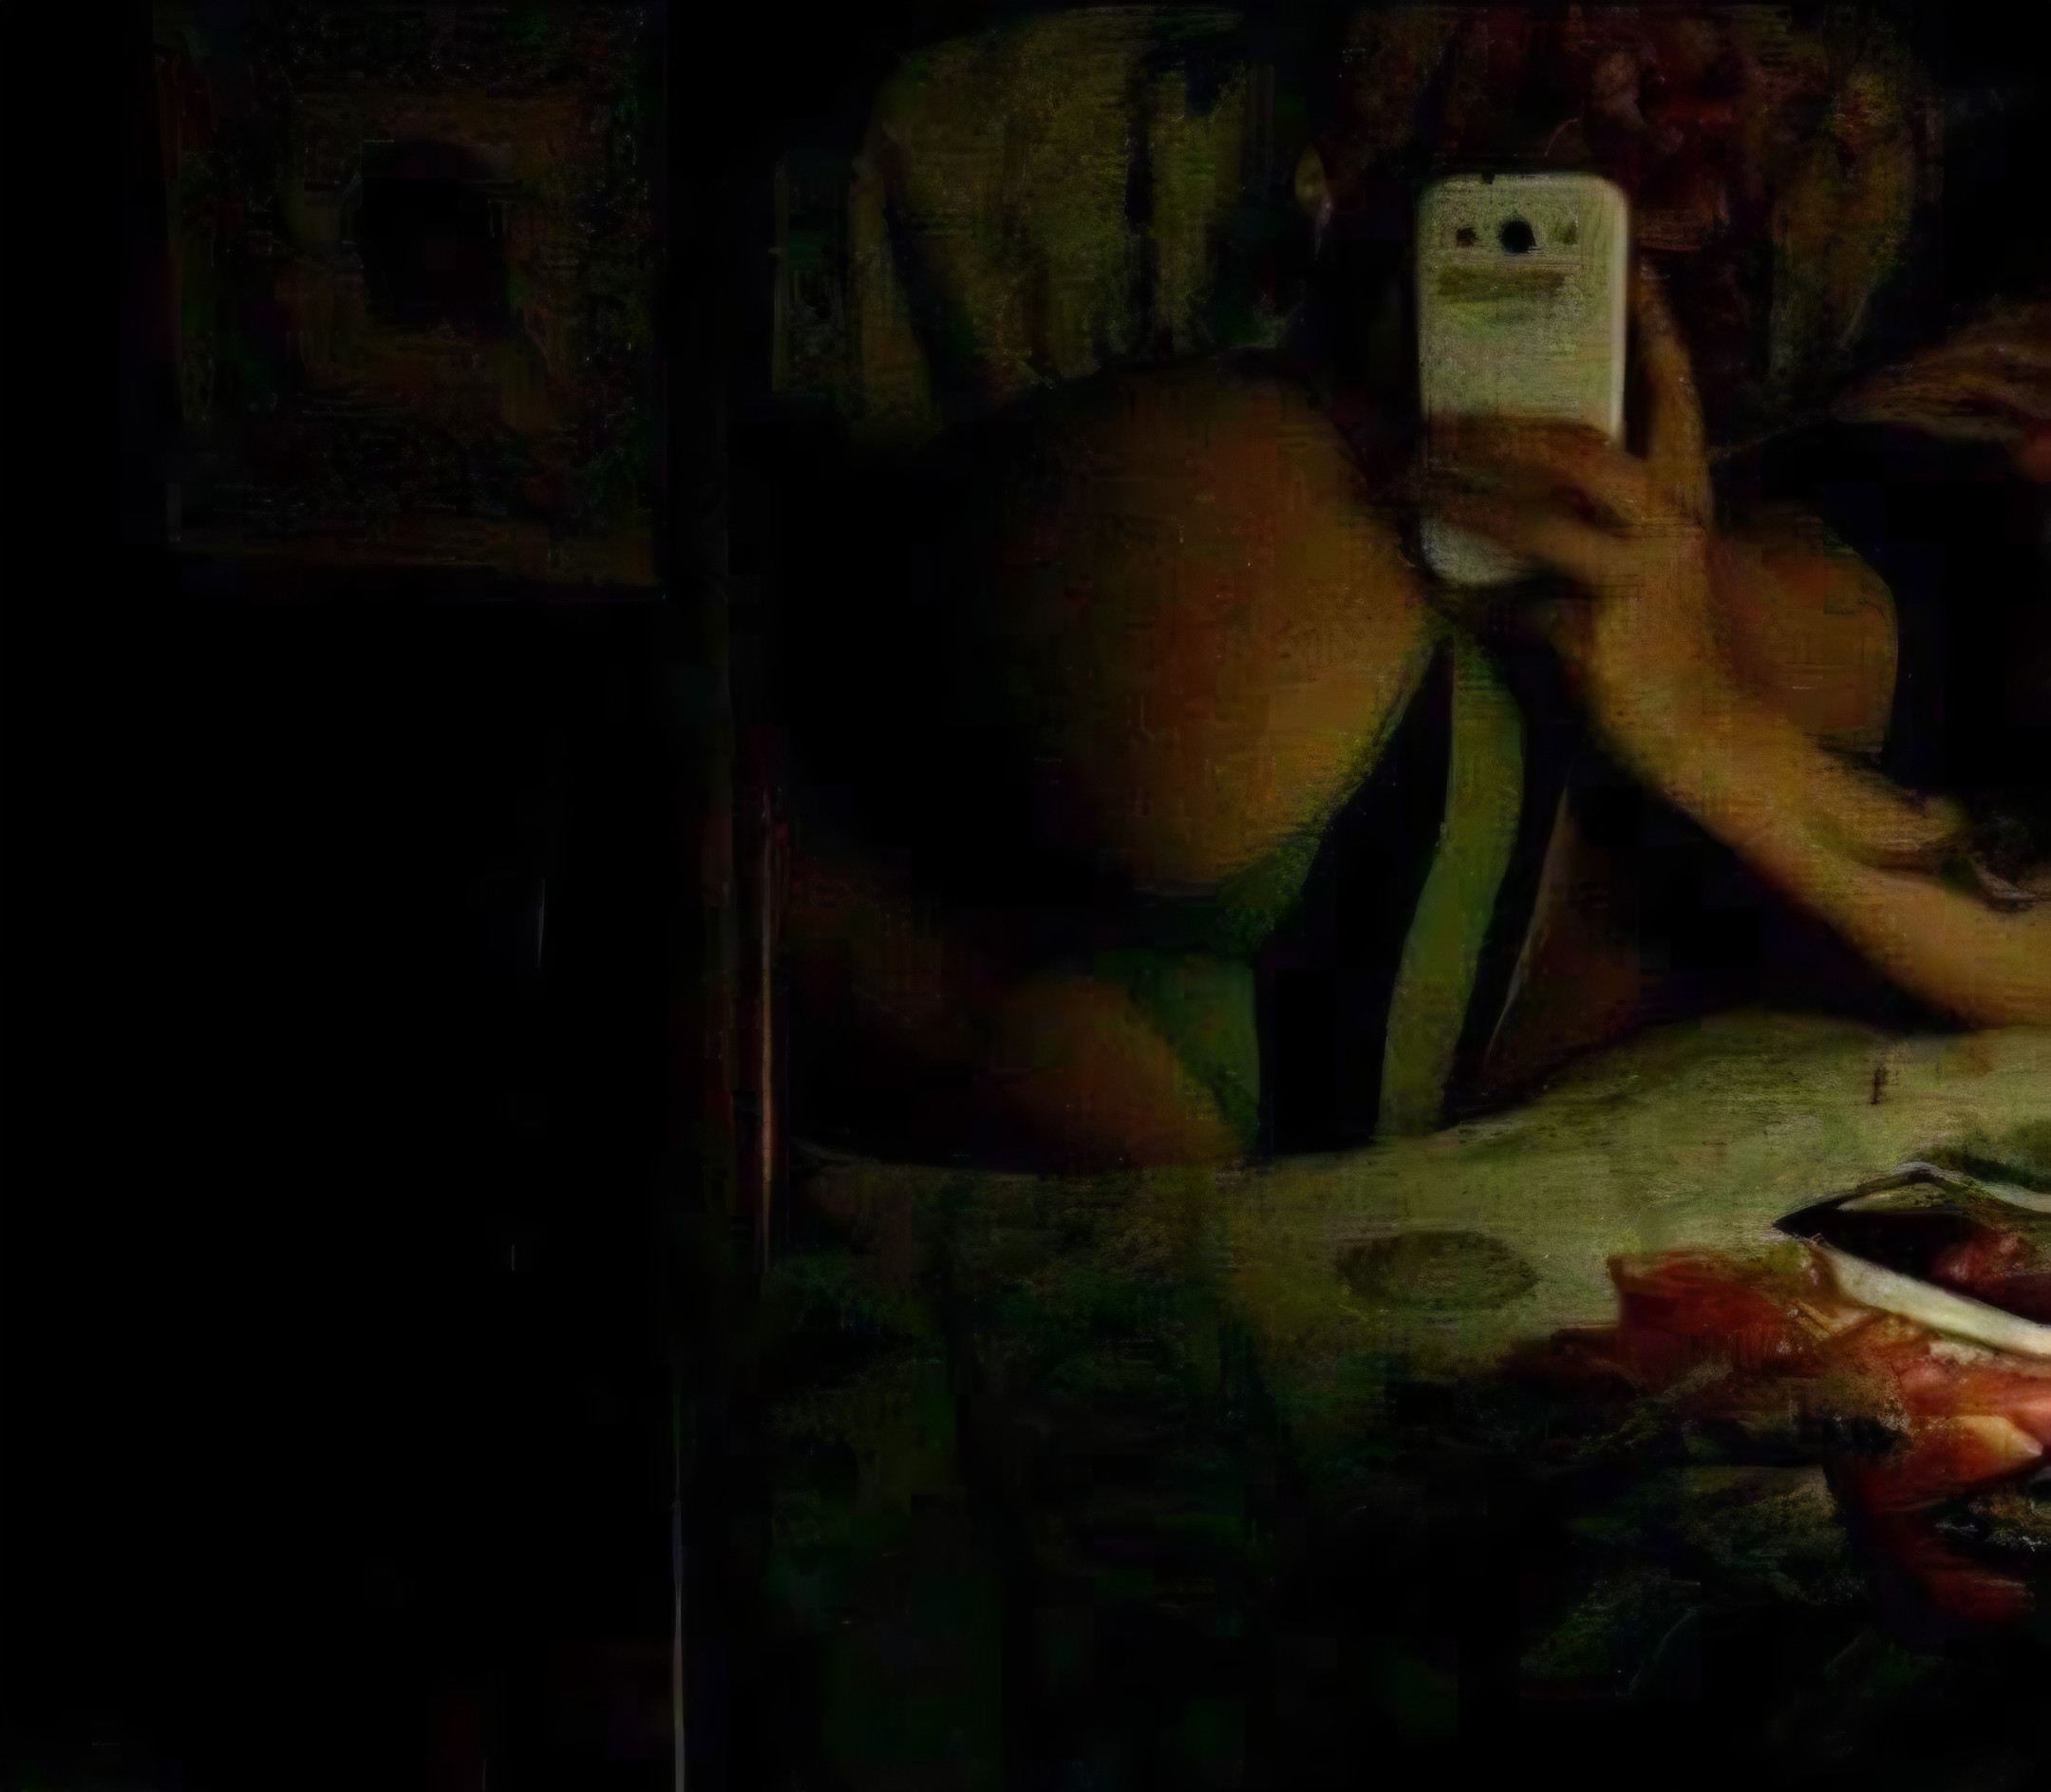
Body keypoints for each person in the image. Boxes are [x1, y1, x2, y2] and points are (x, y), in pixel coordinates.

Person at [780, 3, 2050, 1173]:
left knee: (758, 798)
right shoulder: (1955, 314)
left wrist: (1698, 716)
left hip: (1436, 789)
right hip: (1430, 971)